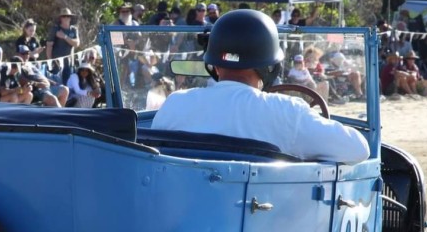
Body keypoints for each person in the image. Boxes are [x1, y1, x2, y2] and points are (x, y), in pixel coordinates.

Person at [151, 10, 367, 164]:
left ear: (213, 65)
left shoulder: (175, 103)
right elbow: (359, 150)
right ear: (270, 67)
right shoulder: (287, 112)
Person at [45, 8, 80, 81]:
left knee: (68, 83)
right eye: (64, 16)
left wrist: (65, 37)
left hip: (69, 63)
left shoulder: (73, 29)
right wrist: (50, 61)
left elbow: (77, 44)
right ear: (60, 18)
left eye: (68, 16)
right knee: (57, 84)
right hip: (56, 63)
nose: (66, 18)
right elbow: (49, 46)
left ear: (70, 18)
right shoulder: (55, 29)